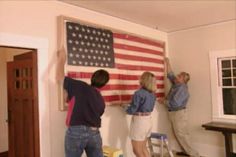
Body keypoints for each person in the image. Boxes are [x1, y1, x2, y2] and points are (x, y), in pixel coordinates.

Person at [56, 47, 109, 157]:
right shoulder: (101, 101)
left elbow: (59, 77)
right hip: (94, 133)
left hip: (76, 132)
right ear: (104, 85)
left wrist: (62, 59)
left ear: (92, 77)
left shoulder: (79, 86)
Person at [158, 57, 200, 157]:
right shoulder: (176, 84)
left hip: (178, 113)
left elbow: (175, 103)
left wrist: (164, 101)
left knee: (182, 135)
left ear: (183, 80)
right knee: (178, 134)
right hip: (175, 113)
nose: (177, 76)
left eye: (180, 76)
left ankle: (194, 154)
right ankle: (186, 151)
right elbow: (170, 74)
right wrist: (167, 62)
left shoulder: (182, 88)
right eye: (179, 75)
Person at [125, 71, 157, 157]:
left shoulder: (138, 93)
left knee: (137, 150)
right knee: (143, 148)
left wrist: (124, 107)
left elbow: (132, 110)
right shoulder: (153, 94)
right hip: (148, 120)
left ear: (144, 80)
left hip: (140, 122)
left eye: (141, 77)